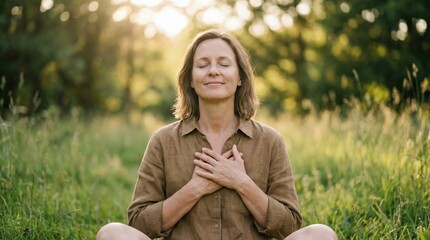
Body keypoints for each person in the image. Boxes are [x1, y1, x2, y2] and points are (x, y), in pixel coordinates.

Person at [96, 29, 337, 240]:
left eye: (223, 64)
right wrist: (195, 188)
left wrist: (241, 182)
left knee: (322, 234)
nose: (213, 71)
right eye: (202, 65)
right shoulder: (163, 140)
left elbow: (290, 226)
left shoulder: (270, 141)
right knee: (111, 233)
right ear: (190, 79)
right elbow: (138, 224)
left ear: (240, 77)